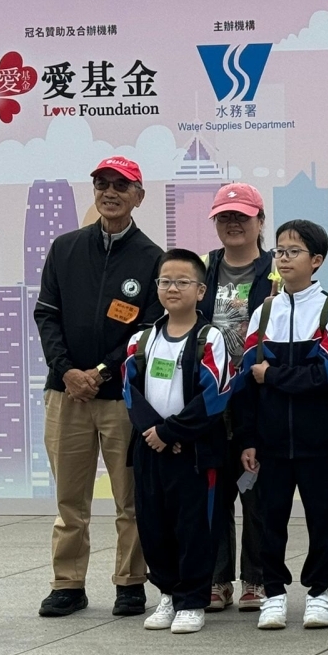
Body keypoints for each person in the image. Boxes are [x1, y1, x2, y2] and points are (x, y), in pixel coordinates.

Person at [35, 156, 164, 618]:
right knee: (70, 499)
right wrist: (68, 371)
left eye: (121, 186)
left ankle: (130, 583)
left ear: (138, 197)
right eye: (102, 184)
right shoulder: (65, 248)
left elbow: (148, 329)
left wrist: (102, 373)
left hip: (121, 398)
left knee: (130, 499)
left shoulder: (152, 258)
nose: (110, 192)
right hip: (65, 393)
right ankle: (67, 584)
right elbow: (46, 314)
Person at [236, 219, 328, 630]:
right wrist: (248, 438)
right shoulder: (265, 311)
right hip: (270, 441)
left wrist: (274, 375)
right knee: (270, 518)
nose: (284, 258)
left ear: (316, 260)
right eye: (279, 251)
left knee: (320, 517)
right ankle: (274, 593)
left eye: (294, 251)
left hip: (317, 440)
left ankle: (319, 593)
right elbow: (248, 380)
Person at [122, 250, 232, 634]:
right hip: (150, 450)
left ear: (200, 290)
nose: (173, 288)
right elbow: (130, 391)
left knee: (195, 527)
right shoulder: (141, 340)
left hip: (194, 453)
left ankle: (192, 600)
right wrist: (154, 433)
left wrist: (171, 433)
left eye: (183, 282)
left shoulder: (209, 338)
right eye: (166, 281)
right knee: (154, 525)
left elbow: (215, 395)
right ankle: (167, 593)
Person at [200, 182, 273, 614]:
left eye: (242, 217)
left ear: (259, 221)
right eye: (224, 217)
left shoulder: (276, 270)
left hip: (257, 396)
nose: (233, 223)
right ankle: (217, 579)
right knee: (215, 492)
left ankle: (255, 579)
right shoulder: (204, 268)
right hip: (211, 396)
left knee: (256, 492)